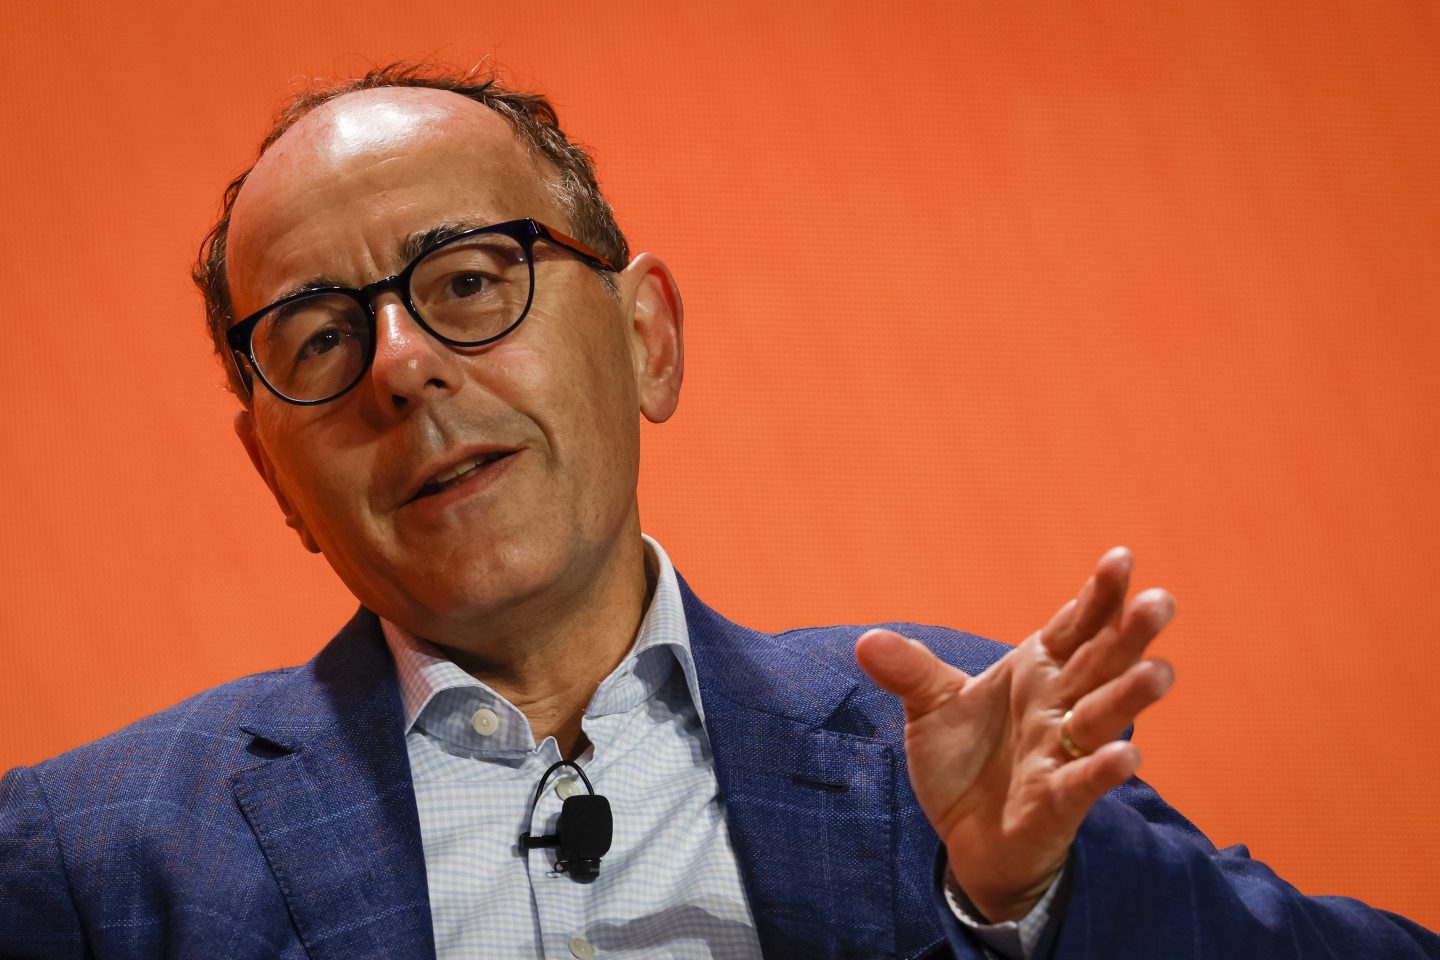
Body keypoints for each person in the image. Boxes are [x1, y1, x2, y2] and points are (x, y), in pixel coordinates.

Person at [0, 63, 1435, 960]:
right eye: (319, 338)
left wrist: (1034, 910)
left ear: (647, 341)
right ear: (276, 481)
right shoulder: (87, 857)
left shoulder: (932, 750)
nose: (403, 366)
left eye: (469, 279)